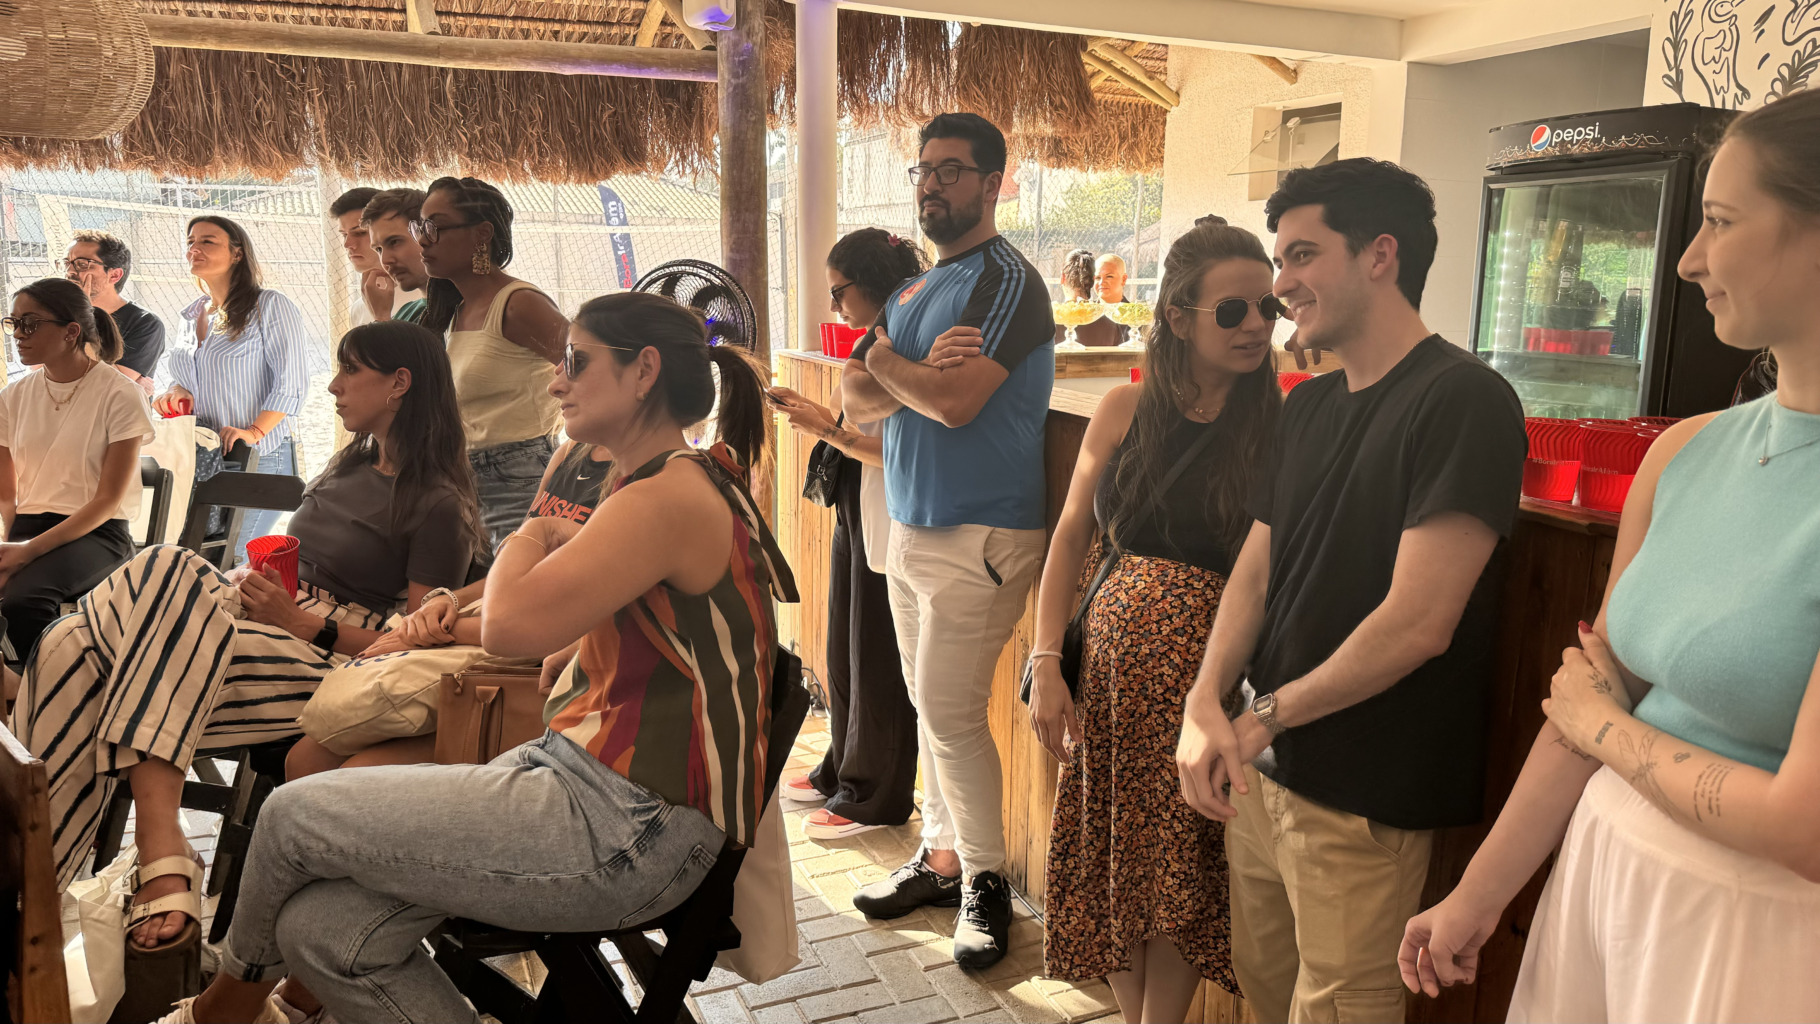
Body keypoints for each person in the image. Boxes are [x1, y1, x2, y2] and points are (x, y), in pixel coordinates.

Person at [153, 291, 792, 1024]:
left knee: (293, 815)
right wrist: (556, 598)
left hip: (633, 826)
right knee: (323, 934)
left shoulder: (667, 494)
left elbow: (510, 627)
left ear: (643, 371)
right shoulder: (646, 480)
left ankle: (219, 1015)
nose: (556, 379)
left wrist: (535, 533)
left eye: (576, 361)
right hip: (584, 779)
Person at [1400, 89, 1820, 1024]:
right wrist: (1479, 892)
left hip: (1761, 939)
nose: (1688, 258)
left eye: (1720, 221)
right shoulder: (1684, 453)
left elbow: (1803, 828)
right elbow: (1598, 688)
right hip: (1603, 884)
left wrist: (1607, 732)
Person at [1172, 158, 1526, 1023]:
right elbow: (1256, 568)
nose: (1280, 285)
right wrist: (1205, 700)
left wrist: (1264, 715)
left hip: (1364, 792)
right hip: (1262, 772)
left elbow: (1418, 623)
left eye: (1301, 255)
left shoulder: (1465, 399)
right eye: (1280, 259)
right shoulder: (1309, 404)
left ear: (1379, 255)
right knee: (1262, 995)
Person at [17, 321, 481, 961]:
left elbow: (414, 644)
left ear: (399, 383)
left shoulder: (438, 504)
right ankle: (52, 893)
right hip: (252, 614)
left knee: (76, 646)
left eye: (350, 370)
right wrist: (247, 583)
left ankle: (58, 875)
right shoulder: (350, 462)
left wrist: (305, 623)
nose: (333, 386)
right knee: (157, 575)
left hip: (326, 655)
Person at [1032, 216, 1281, 1024]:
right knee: (1113, 851)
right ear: (1177, 316)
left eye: (1269, 307)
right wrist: (1044, 661)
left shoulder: (1277, 427)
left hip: (1203, 685)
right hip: (1107, 682)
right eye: (1233, 310)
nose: (1256, 325)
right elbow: (1071, 536)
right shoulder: (1124, 408)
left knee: (1178, 864)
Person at [841, 112, 1055, 969]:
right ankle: (940, 860)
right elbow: (857, 400)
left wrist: (888, 364)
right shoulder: (912, 292)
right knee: (928, 704)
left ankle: (985, 882)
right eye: (924, 170)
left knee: (952, 714)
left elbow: (955, 403)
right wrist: (906, 371)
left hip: (985, 531)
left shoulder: (1005, 281)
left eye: (952, 170)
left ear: (993, 184)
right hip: (913, 524)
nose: (932, 184)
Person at [282, 434, 612, 778]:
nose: (557, 394)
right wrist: (449, 600)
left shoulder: (634, 488)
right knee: (305, 759)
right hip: (491, 638)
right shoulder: (570, 453)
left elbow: (571, 626)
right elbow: (516, 572)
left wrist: (434, 633)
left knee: (354, 774)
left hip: (540, 677)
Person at [770, 227, 927, 840]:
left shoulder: (902, 340)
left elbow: (898, 448)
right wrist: (820, 419)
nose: (834, 305)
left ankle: (874, 794)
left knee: (877, 653)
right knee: (845, 647)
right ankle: (844, 766)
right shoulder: (878, 336)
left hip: (892, 504)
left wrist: (827, 429)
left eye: (839, 292)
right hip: (858, 500)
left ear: (872, 284)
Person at [0, 279, 154, 661]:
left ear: (71, 332)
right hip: (27, 526)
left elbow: (107, 501)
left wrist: (26, 552)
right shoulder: (12, 396)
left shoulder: (119, 393)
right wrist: (11, 541)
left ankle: (52, 689)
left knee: (22, 601)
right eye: (14, 322)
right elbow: (6, 495)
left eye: (30, 323)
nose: (18, 335)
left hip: (97, 533)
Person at [416, 176, 570, 550]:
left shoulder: (518, 304)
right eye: (420, 227)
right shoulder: (458, 311)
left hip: (521, 475)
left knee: (515, 580)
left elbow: (588, 369)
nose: (423, 240)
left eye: (435, 227)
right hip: (467, 476)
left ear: (481, 234)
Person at [153, 215, 316, 564]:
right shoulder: (191, 315)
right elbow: (185, 376)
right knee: (198, 554)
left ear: (237, 253)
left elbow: (292, 382)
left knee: (230, 560)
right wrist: (176, 390)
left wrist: (254, 432)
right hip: (203, 458)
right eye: (190, 242)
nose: (194, 248)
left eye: (207, 241)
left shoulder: (269, 305)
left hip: (259, 456)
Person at [59, 231, 165, 396]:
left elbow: (107, 386)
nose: (69, 271)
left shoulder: (144, 323)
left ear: (114, 275)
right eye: (66, 263)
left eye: (82, 264)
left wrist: (82, 314)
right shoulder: (57, 315)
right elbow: (38, 375)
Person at [362, 187, 432, 326]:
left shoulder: (463, 310)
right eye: (379, 249)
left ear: (426, 234)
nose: (385, 261)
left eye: (394, 242)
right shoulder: (406, 312)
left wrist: (381, 318)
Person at [1076, 253, 1132, 348]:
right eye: (1098, 278)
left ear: (1123, 279)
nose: (1102, 282)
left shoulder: (1135, 318)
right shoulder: (1085, 313)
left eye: (1109, 276)